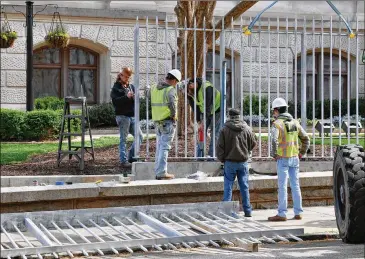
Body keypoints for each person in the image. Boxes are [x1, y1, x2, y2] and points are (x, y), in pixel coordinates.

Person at [268, 97, 310, 221]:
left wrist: (274, 154)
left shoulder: (277, 124)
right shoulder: (295, 122)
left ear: (276, 110)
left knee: (282, 186)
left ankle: (282, 214)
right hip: (294, 158)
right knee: (295, 185)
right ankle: (298, 212)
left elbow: (273, 140)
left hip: (283, 159)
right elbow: (306, 139)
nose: (273, 114)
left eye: (273, 111)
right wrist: (301, 153)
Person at [216, 108, 257, 217]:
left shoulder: (224, 129)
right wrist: (246, 151)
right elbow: (253, 142)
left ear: (229, 116)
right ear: (239, 116)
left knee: (228, 186)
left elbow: (219, 147)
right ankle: (247, 211)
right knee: (244, 186)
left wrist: (222, 159)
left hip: (229, 162)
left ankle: (226, 212)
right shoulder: (247, 128)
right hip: (243, 162)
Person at [149, 69, 181, 180]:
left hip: (157, 122)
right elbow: (172, 104)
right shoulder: (170, 90)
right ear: (174, 81)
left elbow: (146, 93)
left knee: (159, 147)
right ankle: (162, 172)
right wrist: (174, 116)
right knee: (164, 148)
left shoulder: (154, 88)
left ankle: (158, 171)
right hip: (167, 122)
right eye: (176, 82)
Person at [110, 67, 143, 168]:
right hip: (122, 116)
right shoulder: (116, 88)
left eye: (129, 76)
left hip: (132, 116)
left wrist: (134, 97)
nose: (128, 78)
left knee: (140, 136)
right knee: (123, 139)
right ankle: (123, 160)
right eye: (126, 76)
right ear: (120, 75)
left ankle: (132, 157)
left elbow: (136, 101)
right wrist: (126, 97)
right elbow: (115, 102)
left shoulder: (131, 86)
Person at [187, 78, 221, 158]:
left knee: (215, 133)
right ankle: (200, 156)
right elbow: (195, 108)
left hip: (217, 110)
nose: (189, 90)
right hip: (204, 112)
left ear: (194, 83)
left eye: (190, 86)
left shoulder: (207, 87)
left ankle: (212, 156)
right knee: (201, 132)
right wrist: (199, 121)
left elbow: (208, 106)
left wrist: (203, 121)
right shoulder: (190, 93)